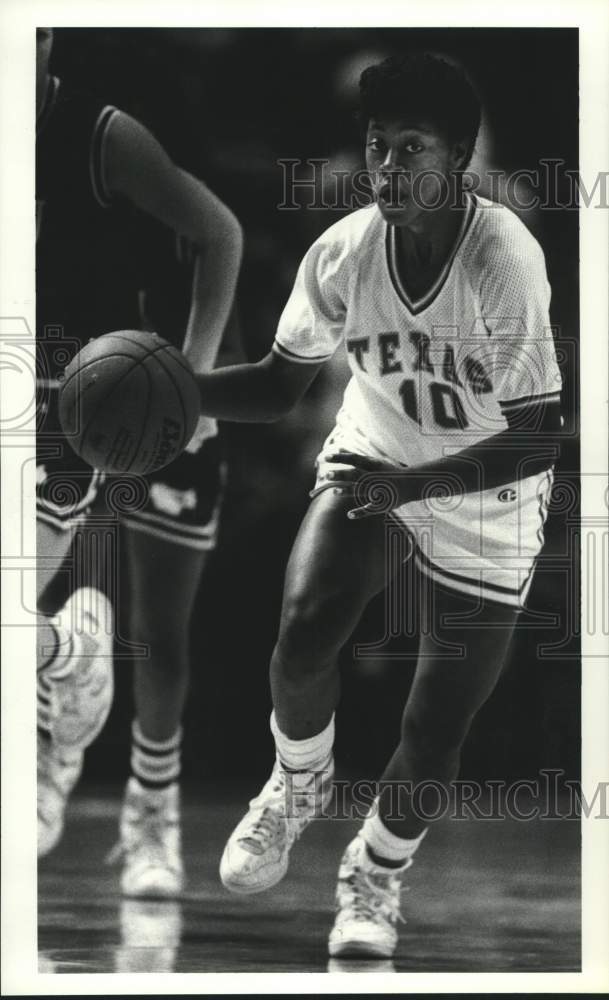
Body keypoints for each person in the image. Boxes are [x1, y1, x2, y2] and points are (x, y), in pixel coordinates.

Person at [192, 52, 562, 957]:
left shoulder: (503, 256)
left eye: (410, 149)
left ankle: (374, 875)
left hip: (492, 488)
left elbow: (538, 436)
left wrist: (415, 490)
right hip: (377, 452)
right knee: (307, 621)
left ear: (460, 155)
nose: (388, 170)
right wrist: (180, 391)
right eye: (376, 148)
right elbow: (281, 387)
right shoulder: (345, 250)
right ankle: (296, 782)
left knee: (435, 731)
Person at [35, 28, 243, 878]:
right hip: (42, 384)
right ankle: (59, 691)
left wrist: (190, 379)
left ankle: (150, 816)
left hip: (120, 394)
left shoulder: (103, 131)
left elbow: (220, 234)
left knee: (161, 633)